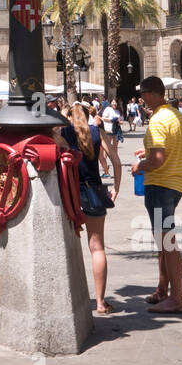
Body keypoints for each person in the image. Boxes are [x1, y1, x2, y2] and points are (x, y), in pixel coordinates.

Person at [130, 76, 182, 314]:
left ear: (153, 93)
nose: (141, 97)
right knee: (163, 242)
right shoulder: (177, 116)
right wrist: (149, 150)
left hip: (160, 184)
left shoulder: (156, 120)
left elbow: (157, 161)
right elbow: (173, 146)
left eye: (143, 93)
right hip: (176, 183)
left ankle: (177, 298)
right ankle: (163, 290)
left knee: (168, 243)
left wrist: (140, 166)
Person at [60, 101, 118, 314]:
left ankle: (69, 300)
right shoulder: (96, 132)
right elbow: (116, 161)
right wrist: (116, 188)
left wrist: (63, 116)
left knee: (66, 247)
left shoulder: (64, 132)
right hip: (93, 192)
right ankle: (101, 303)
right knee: (97, 248)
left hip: (69, 194)